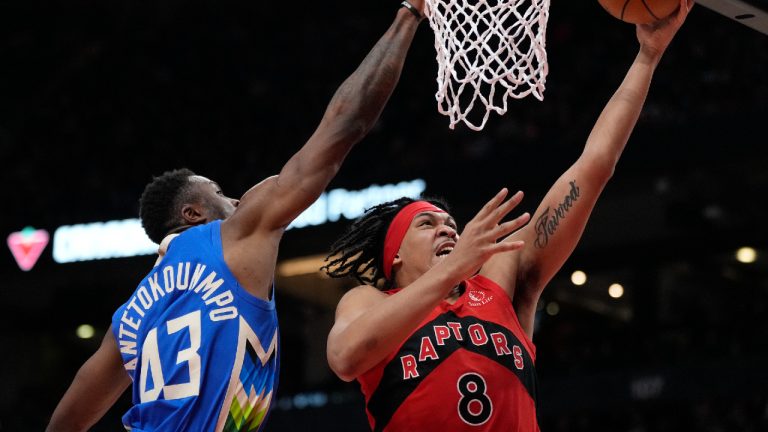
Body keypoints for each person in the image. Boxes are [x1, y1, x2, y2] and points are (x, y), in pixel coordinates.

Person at [46, 2, 429, 431]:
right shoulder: (235, 236)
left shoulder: (132, 314)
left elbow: (71, 413)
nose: (235, 201)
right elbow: (346, 125)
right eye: (221, 194)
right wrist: (408, 16)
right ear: (193, 213)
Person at [322, 1, 694, 430]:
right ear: (396, 257)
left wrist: (648, 57)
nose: (446, 227)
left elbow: (594, 167)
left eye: (450, 225)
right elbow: (345, 357)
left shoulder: (500, 282)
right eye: (426, 224)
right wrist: (449, 273)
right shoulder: (367, 302)